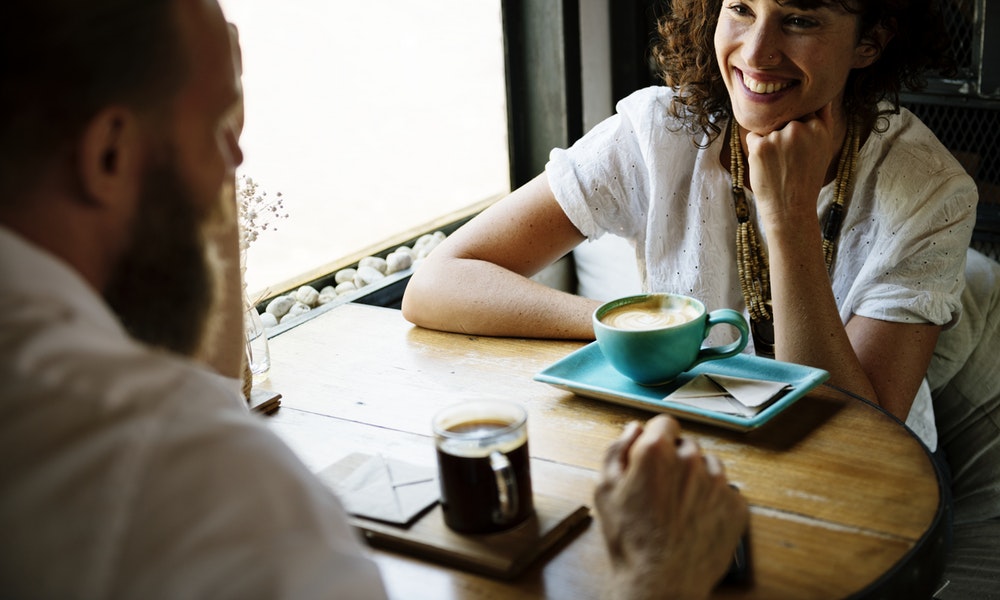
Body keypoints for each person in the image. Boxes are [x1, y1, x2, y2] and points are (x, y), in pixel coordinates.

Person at [0, 1, 747, 598]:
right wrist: (658, 579)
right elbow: (193, 419)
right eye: (221, 135)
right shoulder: (205, 485)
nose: (236, 170)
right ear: (109, 156)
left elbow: (206, 393)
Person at [401, 0, 979, 453]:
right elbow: (437, 284)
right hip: (691, 446)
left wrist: (789, 218)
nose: (756, 52)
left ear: (870, 42)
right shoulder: (660, 131)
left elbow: (858, 432)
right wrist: (637, 335)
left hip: (868, 482)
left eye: (799, 19)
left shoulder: (933, 191)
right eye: (741, 9)